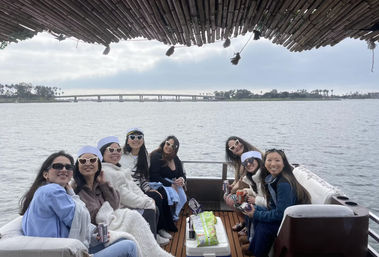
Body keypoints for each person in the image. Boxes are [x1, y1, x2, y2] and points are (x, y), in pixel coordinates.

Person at [20, 151, 138, 257]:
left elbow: (78, 219)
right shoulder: (52, 191)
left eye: (68, 167)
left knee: (121, 239)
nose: (64, 170)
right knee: (129, 246)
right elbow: (78, 218)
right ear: (46, 174)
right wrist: (72, 192)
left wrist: (94, 234)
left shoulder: (44, 191)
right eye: (58, 166)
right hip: (60, 251)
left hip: (61, 247)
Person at [73, 146, 174, 257]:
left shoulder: (98, 185)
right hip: (98, 232)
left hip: (108, 223)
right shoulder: (76, 190)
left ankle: (152, 251)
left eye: (92, 160)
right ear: (77, 166)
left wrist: (104, 185)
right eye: (83, 161)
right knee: (137, 218)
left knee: (138, 215)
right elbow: (86, 218)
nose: (88, 163)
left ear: (98, 165)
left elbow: (115, 204)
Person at [97, 135, 171, 245]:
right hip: (119, 207)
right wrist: (145, 203)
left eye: (118, 150)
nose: (115, 152)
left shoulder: (118, 168)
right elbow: (123, 195)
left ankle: (152, 236)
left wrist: (145, 198)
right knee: (149, 211)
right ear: (103, 153)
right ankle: (150, 243)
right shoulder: (107, 171)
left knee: (154, 204)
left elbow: (133, 187)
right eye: (111, 150)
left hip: (126, 202)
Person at [243, 149, 311, 257]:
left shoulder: (284, 183)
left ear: (284, 164)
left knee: (263, 227)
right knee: (255, 209)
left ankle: (258, 253)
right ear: (264, 163)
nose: (273, 164)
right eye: (269, 160)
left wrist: (256, 214)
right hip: (285, 217)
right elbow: (274, 206)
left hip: (294, 223)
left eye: (277, 160)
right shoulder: (273, 179)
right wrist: (256, 211)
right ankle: (253, 248)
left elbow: (280, 214)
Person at [119, 128, 177, 234]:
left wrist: (149, 189)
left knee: (160, 193)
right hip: (128, 189)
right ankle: (157, 231)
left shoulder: (144, 156)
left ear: (143, 140)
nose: (136, 140)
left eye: (139, 137)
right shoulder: (121, 155)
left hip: (140, 188)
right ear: (127, 140)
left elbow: (143, 178)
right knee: (155, 198)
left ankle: (161, 229)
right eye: (132, 137)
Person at [224, 136, 262, 234]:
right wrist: (231, 186)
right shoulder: (239, 161)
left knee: (232, 199)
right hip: (250, 189)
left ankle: (249, 224)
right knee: (228, 196)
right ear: (231, 152)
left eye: (237, 143)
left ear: (241, 141)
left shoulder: (252, 156)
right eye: (232, 148)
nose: (236, 147)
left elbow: (245, 181)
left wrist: (233, 190)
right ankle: (245, 221)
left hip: (257, 191)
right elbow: (238, 179)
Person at [149, 135, 187, 221]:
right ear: (164, 143)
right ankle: (168, 218)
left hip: (171, 182)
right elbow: (154, 176)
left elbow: (181, 174)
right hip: (158, 183)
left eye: (172, 146)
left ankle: (174, 215)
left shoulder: (175, 158)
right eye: (168, 144)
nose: (169, 147)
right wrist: (170, 184)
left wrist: (182, 179)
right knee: (172, 196)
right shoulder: (156, 156)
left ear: (175, 149)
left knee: (183, 198)